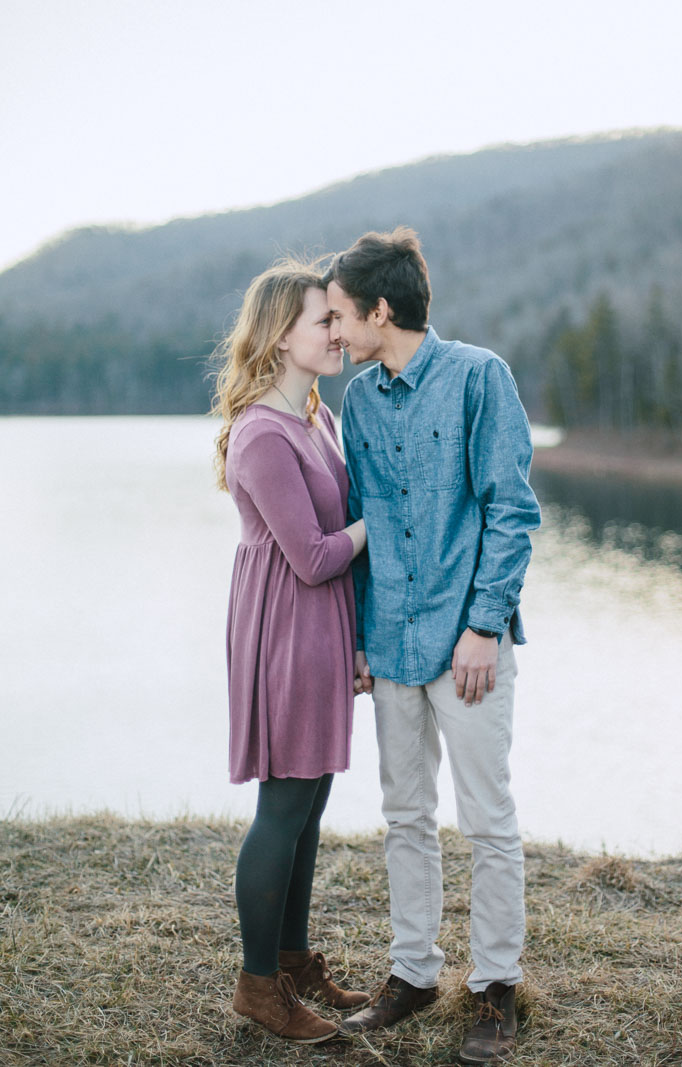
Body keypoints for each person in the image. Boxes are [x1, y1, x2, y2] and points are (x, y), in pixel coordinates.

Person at [326, 228, 541, 1063]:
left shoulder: (480, 378)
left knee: (488, 817)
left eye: (342, 314)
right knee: (403, 815)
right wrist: (357, 637)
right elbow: (368, 526)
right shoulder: (362, 405)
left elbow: (511, 511)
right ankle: (412, 974)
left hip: (467, 644)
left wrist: (485, 625)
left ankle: (495, 987)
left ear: (383, 309)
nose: (335, 331)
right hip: (390, 643)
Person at [211, 260, 369, 1045]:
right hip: (286, 628)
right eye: (323, 322)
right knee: (284, 804)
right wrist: (385, 525)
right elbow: (309, 555)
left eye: (338, 321)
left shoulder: (317, 417)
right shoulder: (260, 434)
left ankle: (294, 956)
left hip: (323, 626)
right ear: (280, 337)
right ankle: (258, 986)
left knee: (312, 798)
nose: (338, 333)